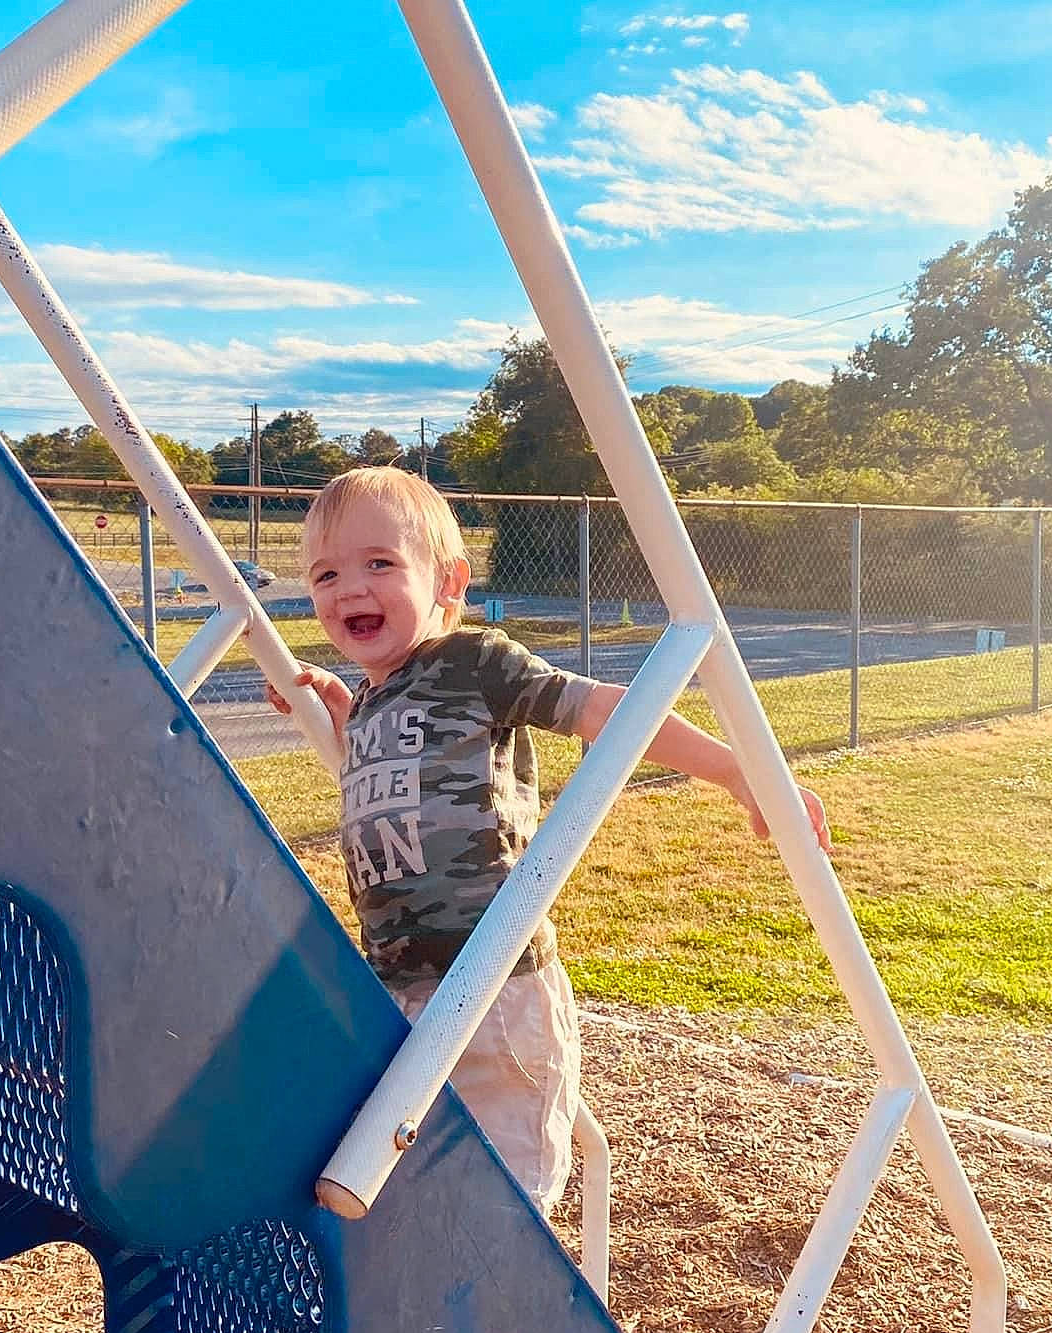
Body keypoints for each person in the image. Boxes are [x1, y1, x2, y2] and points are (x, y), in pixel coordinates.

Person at [267, 466, 831, 1215]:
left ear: (448, 582)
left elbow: (605, 711)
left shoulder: (473, 662)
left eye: (381, 563)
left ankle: (510, 1318)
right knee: (409, 1187)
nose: (349, 588)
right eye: (326, 573)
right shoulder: (372, 700)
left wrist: (736, 769)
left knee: (507, 1197)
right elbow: (390, 777)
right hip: (399, 988)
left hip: (495, 984)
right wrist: (340, 710)